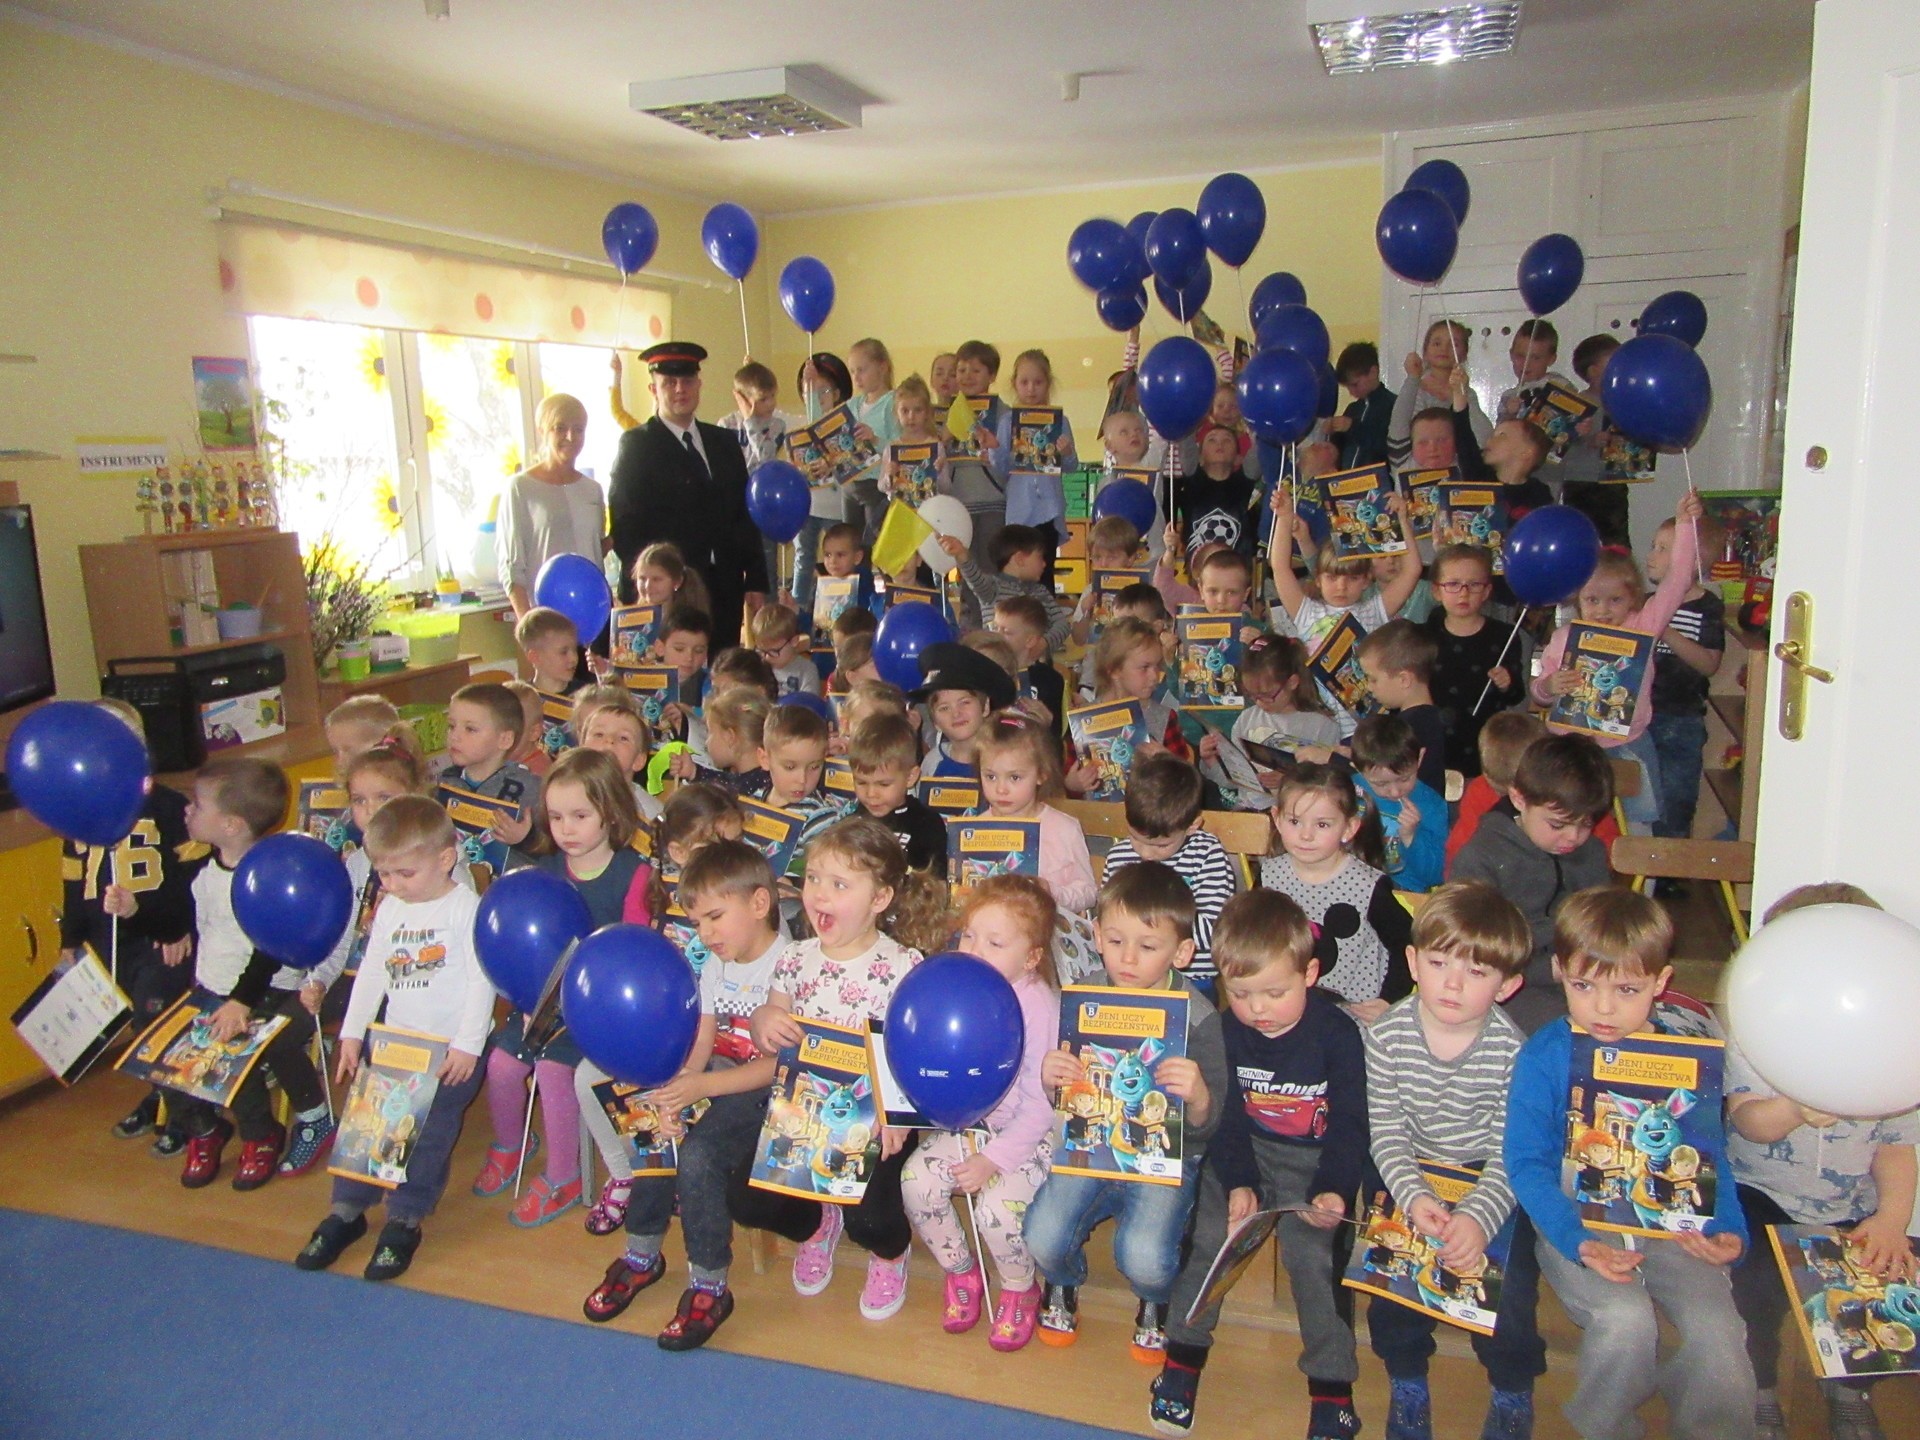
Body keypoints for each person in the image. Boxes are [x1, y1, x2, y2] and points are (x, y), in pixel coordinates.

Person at [1505, 888, 1756, 1440]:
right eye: (1583, 985)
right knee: (1625, 1322)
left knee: (1718, 1331)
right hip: (1577, 1221)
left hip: (1673, 1226)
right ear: (1559, 971)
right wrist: (1577, 1240)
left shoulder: (1682, 1059)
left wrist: (1728, 1230)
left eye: (1626, 989)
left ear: (1660, 983)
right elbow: (1524, 1162)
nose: (1603, 1008)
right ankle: (1608, 1427)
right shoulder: (1547, 1054)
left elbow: (1710, 1157)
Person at [1153, 890, 1366, 1440]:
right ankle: (1181, 1357)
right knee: (1208, 1240)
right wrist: (1241, 1181)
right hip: (1244, 1153)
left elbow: (1351, 1122)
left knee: (1312, 1257)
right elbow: (1225, 1116)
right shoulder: (1225, 1030)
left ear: (1309, 974)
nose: (1258, 1009)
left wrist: (1334, 1188)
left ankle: (1331, 1384)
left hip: (1315, 1164)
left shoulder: (1338, 1034)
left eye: (1275, 992)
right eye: (1241, 993)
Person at [1725, 883, 1920, 1440]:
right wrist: (1790, 1109)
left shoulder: (1894, 1046)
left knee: (1883, 1277)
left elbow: (1896, 1148)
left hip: (1849, 1202)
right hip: (1757, 1193)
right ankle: (1760, 1390)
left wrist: (1891, 1220)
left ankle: (1851, 1389)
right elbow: (1747, 1120)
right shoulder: (1757, 1033)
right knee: (1752, 1281)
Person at [734, 816, 948, 1320]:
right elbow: (772, 1027)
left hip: (876, 1118)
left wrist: (894, 1118)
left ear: (880, 898)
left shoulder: (903, 965)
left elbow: (915, 1053)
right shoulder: (794, 958)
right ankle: (815, 1225)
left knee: (870, 1220)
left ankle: (890, 1253)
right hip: (804, 1113)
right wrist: (764, 1020)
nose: (820, 895)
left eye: (839, 884)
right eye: (813, 879)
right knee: (747, 1202)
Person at [582, 839, 787, 1350]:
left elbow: (778, 1067)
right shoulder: (717, 963)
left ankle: (710, 1285)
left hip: (766, 1095)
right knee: (652, 1120)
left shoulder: (789, 965)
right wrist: (680, 1092)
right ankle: (641, 1253)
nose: (706, 934)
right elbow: (703, 1039)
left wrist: (703, 1086)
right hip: (717, 1078)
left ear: (759, 903)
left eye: (715, 917)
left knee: (698, 1156)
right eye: (697, 923)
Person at [1361, 882, 1543, 1440]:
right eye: (1439, 963)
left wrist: (1479, 1217)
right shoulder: (1386, 1035)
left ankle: (1512, 1389)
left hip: (1486, 1174)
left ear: (1507, 985)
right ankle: (1407, 1380)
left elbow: (1512, 1152)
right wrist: (1414, 1195)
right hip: (1410, 1167)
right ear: (1413, 962)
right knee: (1391, 1282)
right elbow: (1385, 1130)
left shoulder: (1513, 1051)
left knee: (1509, 1289)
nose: (1453, 983)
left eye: (1477, 971)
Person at [1025, 863, 1227, 1359]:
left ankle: (1155, 1298)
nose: (1128, 958)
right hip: (1090, 1147)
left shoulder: (1199, 1018)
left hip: (1164, 1158)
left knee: (1145, 1257)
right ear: (1096, 935)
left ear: (1182, 952)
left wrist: (1199, 1096)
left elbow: (1213, 1126)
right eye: (1115, 941)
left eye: (1148, 946)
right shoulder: (1082, 997)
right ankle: (1061, 1280)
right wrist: (1052, 1078)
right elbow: (1064, 1100)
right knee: (1042, 1235)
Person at [294, 796, 493, 1282]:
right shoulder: (390, 909)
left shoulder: (464, 908)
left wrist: (468, 1045)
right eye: (384, 873)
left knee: (427, 1134)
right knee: (369, 1124)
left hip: (449, 1050)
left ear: (445, 859)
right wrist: (351, 1033)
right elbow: (372, 974)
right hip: (395, 1042)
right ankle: (348, 1209)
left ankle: (405, 1215)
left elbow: (482, 979)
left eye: (405, 873)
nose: (393, 884)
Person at [477, 749, 650, 1227]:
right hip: (540, 1004)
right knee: (502, 1065)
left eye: (579, 816)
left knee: (554, 1072)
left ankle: (563, 1175)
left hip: (597, 1015)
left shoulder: (633, 874)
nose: (566, 829)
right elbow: (523, 948)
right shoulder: (546, 871)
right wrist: (526, 1001)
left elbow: (631, 954)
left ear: (610, 813)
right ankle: (511, 1144)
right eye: (555, 817)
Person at [900, 876, 1061, 1351]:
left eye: (995, 942)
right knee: (916, 1181)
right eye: (968, 935)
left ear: (1030, 957)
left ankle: (1019, 1287)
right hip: (975, 1122)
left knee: (995, 1210)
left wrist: (994, 1160)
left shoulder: (1037, 1006)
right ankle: (962, 1272)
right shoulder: (954, 983)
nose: (974, 949)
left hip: (1033, 1136)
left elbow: (1040, 1108)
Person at [165, 759, 323, 1190]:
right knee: (169, 1061)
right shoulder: (199, 863)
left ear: (232, 824)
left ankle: (261, 1134)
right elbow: (191, 916)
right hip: (211, 985)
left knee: (233, 1057)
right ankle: (204, 1129)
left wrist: (241, 1002)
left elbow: (268, 948)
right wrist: (139, 912)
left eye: (198, 805)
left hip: (261, 989)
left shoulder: (264, 876)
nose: (187, 810)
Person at [66, 699, 203, 1152]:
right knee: (138, 1026)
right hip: (107, 938)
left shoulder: (167, 806)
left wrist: (180, 927)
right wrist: (70, 939)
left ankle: (189, 1116)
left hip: (161, 935)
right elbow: (74, 877)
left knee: (157, 1020)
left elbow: (191, 877)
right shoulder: (79, 808)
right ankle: (163, 1094)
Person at [1531, 491, 1705, 833]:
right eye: (1592, 600)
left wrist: (1686, 525)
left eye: (1615, 600)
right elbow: (1539, 692)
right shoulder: (1565, 637)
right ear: (1578, 600)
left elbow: (1678, 580)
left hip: (1627, 743)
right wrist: (1549, 686)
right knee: (1567, 819)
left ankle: (1639, 870)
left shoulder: (1643, 626)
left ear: (1632, 599)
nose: (1603, 610)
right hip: (1571, 746)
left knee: (1640, 824)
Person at [1449, 733, 1615, 1034]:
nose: (1573, 837)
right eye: (1557, 824)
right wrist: (1545, 970)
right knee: (1564, 1032)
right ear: (1519, 799)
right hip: (1508, 987)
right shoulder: (1481, 858)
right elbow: (1470, 952)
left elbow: (1601, 927)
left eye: (1586, 824)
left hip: (1582, 977)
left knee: (1634, 1020)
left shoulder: (1590, 853)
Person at [608, 341, 769, 651]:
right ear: (653, 390)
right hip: (671, 592)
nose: (680, 389)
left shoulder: (723, 441)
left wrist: (756, 580)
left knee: (723, 670)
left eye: (687, 380)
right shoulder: (637, 445)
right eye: (669, 382)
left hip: (724, 587)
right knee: (676, 674)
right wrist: (650, 585)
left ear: (699, 384)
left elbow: (744, 515)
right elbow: (625, 526)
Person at [1259, 764, 1413, 1022]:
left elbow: (1407, 944)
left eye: (1322, 824)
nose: (1306, 835)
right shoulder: (1269, 876)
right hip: (1286, 1012)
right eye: (1295, 821)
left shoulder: (1367, 886)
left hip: (1352, 1017)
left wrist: (1389, 1000)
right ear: (1277, 819)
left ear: (1349, 828)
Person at [1099, 752, 1237, 996]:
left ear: (1192, 826)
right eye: (1136, 838)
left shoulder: (1206, 853)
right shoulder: (1119, 854)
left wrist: (1163, 931)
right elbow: (1108, 916)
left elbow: (1217, 930)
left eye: (1162, 846)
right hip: (1128, 975)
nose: (1146, 854)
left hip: (1191, 981)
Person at [1645, 514, 1726, 841]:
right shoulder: (1649, 602)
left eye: (1663, 548)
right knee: (1641, 794)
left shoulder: (1708, 606)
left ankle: (1672, 860)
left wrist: (1664, 629)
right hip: (1642, 717)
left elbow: (1709, 664)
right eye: (1654, 546)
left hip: (1682, 719)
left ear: (1690, 560)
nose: (1651, 555)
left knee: (1677, 799)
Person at [1422, 544, 1532, 777]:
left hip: (1484, 746)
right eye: (1453, 584)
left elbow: (1517, 695)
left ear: (1486, 591)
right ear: (1437, 591)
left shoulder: (1505, 636)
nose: (1464, 593)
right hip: (1433, 745)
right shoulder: (1423, 636)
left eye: (1474, 585)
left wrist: (1507, 682)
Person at [498, 392, 605, 620]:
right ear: (542, 431)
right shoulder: (520, 488)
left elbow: (596, 551)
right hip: (545, 620)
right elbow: (511, 567)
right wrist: (528, 622)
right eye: (560, 428)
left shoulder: (593, 490)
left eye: (578, 429)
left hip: (593, 616)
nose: (570, 436)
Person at [718, 360, 792, 599]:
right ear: (742, 399)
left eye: (772, 396)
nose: (771, 404)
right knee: (733, 569)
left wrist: (751, 422)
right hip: (735, 506)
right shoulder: (726, 425)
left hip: (763, 507)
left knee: (765, 569)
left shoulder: (777, 425)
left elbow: (765, 459)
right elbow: (727, 469)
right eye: (762, 399)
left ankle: (768, 616)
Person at [1350, 713, 1448, 895]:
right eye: (1381, 784)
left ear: (1420, 758)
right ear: (1359, 769)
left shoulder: (1432, 806)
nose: (1395, 792)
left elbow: (1437, 875)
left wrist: (1411, 838)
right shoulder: (1350, 789)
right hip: (1353, 876)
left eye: (1404, 779)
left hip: (1402, 888)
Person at [787, 352, 854, 611]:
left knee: (840, 559)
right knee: (803, 556)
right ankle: (799, 606)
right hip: (807, 505)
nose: (817, 397)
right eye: (810, 392)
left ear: (837, 394)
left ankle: (843, 606)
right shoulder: (798, 425)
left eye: (823, 391)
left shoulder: (844, 423)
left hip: (835, 507)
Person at [435, 682, 537, 854]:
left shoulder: (528, 788)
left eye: (470, 729)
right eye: (451, 726)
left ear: (504, 740)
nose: (454, 736)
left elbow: (554, 848)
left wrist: (525, 838)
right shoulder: (446, 782)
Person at [943, 524, 1072, 653]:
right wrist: (961, 555)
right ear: (1020, 559)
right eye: (1040, 557)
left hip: (1034, 662)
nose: (1044, 564)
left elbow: (1062, 624)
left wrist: (1044, 643)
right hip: (998, 661)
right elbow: (974, 577)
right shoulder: (993, 587)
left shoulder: (1041, 591)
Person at [1355, 619, 1447, 795]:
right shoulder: (1426, 717)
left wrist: (1332, 758)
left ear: (1404, 679)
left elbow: (1382, 772)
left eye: (1373, 679)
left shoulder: (1410, 727)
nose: (1369, 687)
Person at [847, 712, 946, 873]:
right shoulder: (850, 823)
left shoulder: (926, 824)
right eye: (861, 782)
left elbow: (936, 884)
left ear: (910, 777)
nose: (871, 794)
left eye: (883, 784)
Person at [1388, 320, 1490, 469]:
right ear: (1425, 351)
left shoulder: (1467, 393)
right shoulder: (1414, 390)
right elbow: (1398, 435)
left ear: (1464, 353)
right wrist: (1412, 378)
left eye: (1454, 344)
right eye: (1437, 343)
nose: (1444, 349)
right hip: (1416, 473)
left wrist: (1461, 393)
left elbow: (1484, 440)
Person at [914, 641, 1016, 780]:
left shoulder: (1006, 760)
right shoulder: (932, 762)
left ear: (985, 706)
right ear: (935, 722)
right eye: (944, 708)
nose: (956, 714)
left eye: (964, 702)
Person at [844, 338, 899, 547]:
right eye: (852, 371)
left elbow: (899, 448)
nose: (856, 377)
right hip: (850, 484)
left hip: (875, 486)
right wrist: (811, 390)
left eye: (862, 370)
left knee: (873, 545)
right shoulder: (853, 404)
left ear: (882, 367)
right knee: (850, 545)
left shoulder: (892, 402)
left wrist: (875, 439)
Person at [1331, 340, 1395, 470]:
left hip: (1379, 480)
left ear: (1373, 372)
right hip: (1348, 479)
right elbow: (1340, 450)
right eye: (1347, 387)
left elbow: (1389, 447)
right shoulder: (1353, 409)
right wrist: (1333, 432)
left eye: (1355, 384)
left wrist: (1352, 427)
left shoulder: (1393, 405)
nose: (1351, 392)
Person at [750, 603, 823, 699]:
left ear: (794, 641)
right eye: (761, 651)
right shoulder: (759, 668)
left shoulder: (806, 670)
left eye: (774, 651)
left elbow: (809, 703)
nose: (766, 657)